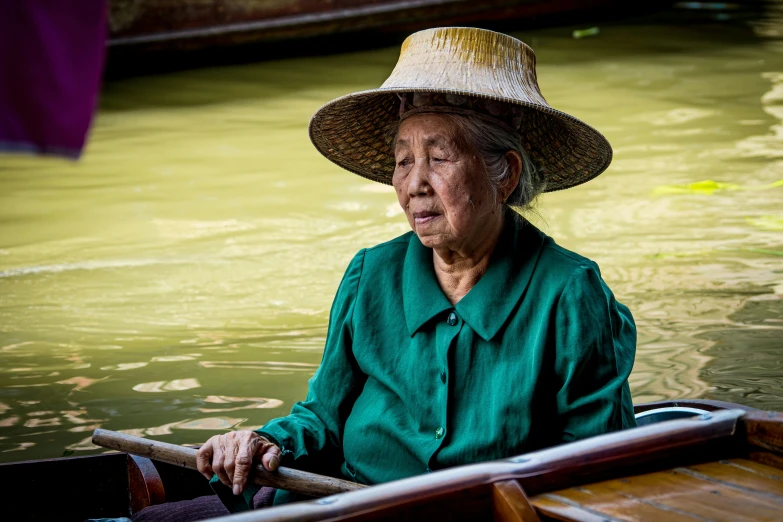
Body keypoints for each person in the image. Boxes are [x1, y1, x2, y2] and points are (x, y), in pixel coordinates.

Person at [132, 26, 636, 521]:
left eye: (439, 158)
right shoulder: (370, 274)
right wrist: (263, 441)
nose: (414, 183)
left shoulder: (569, 292)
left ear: (505, 173)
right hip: (337, 507)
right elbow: (323, 420)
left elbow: (595, 468)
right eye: (401, 162)